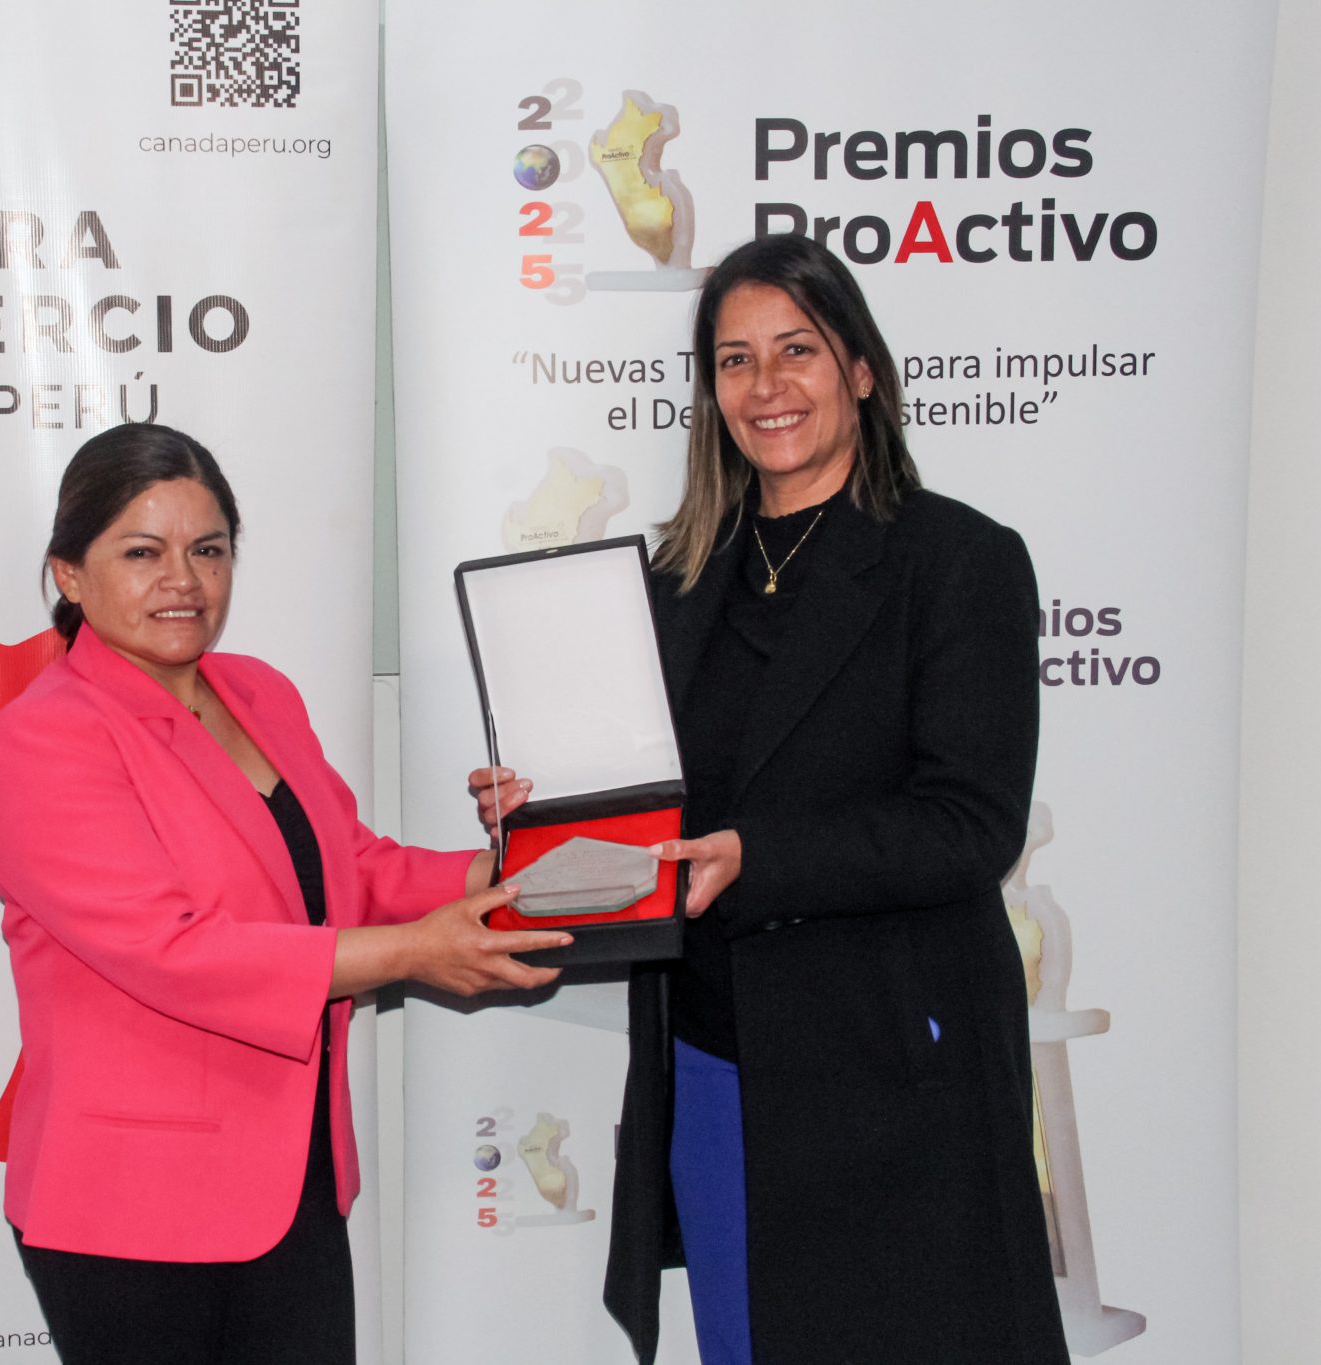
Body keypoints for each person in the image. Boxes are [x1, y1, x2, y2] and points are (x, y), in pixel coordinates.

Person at [473, 234, 1069, 1364]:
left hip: (894, 1065)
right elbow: (646, 800)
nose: (765, 386)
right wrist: (542, 802)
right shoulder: (674, 578)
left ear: (861, 370)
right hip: (716, 1062)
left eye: (796, 350)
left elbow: (970, 823)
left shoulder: (958, 560)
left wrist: (761, 857)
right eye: (735, 360)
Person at [0, 422, 569, 1365]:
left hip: (295, 1179)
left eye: (208, 550)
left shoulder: (258, 693)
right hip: (133, 1211)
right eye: (142, 553)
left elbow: (351, 868)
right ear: (70, 575)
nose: (183, 579)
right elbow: (175, 949)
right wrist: (417, 953)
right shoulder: (43, 738)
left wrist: (513, 870)